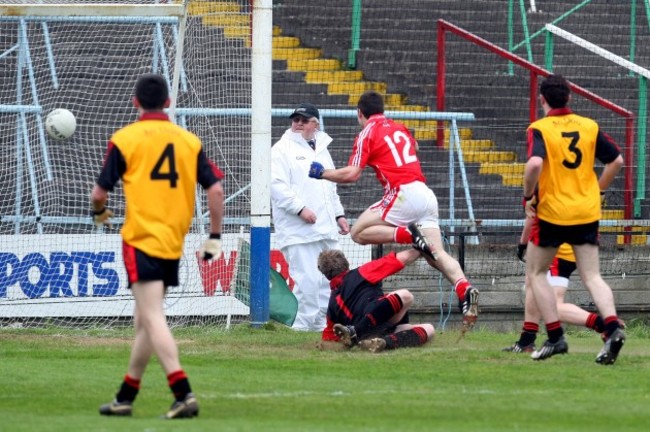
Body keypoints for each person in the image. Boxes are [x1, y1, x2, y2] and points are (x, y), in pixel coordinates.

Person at [91, 74, 225, 418]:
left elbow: (98, 194)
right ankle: (125, 397)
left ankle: (183, 392)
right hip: (172, 240)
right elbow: (215, 190)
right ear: (168, 103)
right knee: (144, 320)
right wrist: (214, 236)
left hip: (140, 238)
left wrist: (101, 214)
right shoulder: (188, 141)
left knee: (151, 315)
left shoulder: (124, 139)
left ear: (135, 102)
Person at [308, 90, 479, 331]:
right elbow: (415, 146)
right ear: (382, 111)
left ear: (360, 113)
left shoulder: (367, 132)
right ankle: (464, 287)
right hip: (425, 193)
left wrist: (322, 173)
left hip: (402, 193)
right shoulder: (399, 127)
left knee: (358, 233)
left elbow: (352, 174)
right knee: (435, 255)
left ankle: (409, 236)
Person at [522, 73, 625, 363]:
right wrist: (597, 189)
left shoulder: (539, 128)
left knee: (536, 273)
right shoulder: (589, 125)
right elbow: (616, 161)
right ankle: (613, 327)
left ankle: (556, 338)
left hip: (554, 211)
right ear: (570, 97)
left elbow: (533, 164)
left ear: (541, 99)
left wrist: (528, 195)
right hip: (586, 210)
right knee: (592, 275)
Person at [271, 103, 350, 331]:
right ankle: (301, 327)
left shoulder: (322, 148)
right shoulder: (281, 149)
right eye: (295, 119)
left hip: (325, 228)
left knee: (330, 280)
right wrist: (300, 209)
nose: (298, 124)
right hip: (298, 230)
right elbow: (276, 186)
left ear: (315, 124)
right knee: (307, 282)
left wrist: (339, 215)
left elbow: (330, 186)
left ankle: (325, 325)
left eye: (304, 120)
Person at [505, 219, 612, 352]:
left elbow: (532, 216)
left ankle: (606, 326)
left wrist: (523, 243)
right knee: (532, 284)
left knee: (551, 306)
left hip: (554, 248)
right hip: (572, 248)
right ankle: (526, 340)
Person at [317, 248, 434, 353]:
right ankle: (357, 331)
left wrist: (326, 346)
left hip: (374, 331)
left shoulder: (332, 306)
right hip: (370, 322)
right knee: (406, 296)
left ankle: (382, 342)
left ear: (325, 274)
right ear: (346, 263)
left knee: (429, 328)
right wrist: (422, 249)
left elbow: (329, 336)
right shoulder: (362, 272)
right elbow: (398, 260)